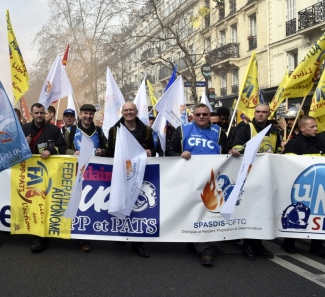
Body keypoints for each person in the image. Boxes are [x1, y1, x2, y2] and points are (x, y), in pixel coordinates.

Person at [166, 103, 239, 266]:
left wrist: (232, 152)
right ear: (193, 115)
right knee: (192, 210)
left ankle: (205, 250)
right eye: (198, 114)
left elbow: (225, 151)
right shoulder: (182, 130)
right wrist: (180, 154)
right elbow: (169, 151)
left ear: (209, 116)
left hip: (211, 179)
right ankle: (195, 241)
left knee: (205, 211)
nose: (201, 117)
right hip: (188, 178)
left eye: (204, 114)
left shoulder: (219, 132)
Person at [231, 104, 280, 260]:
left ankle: (257, 243)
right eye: (258, 112)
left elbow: (277, 151)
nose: (260, 114)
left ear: (269, 113)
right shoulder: (245, 129)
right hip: (249, 175)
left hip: (266, 176)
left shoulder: (275, 131)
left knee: (263, 210)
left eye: (264, 112)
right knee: (250, 209)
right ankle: (248, 244)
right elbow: (238, 147)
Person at [106, 102, 156, 258]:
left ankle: (138, 244)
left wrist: (150, 152)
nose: (128, 113)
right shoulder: (114, 130)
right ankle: (121, 235)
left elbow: (154, 150)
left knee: (138, 207)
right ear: (122, 112)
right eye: (126, 110)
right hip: (121, 174)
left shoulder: (147, 130)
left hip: (140, 173)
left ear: (136, 111)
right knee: (121, 202)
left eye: (131, 110)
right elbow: (110, 152)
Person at [22, 103, 67, 252]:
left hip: (48, 174)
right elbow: (14, 149)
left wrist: (50, 150)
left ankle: (43, 235)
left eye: (42, 113)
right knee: (32, 204)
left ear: (45, 113)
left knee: (46, 203)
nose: (39, 116)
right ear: (32, 114)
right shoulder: (24, 129)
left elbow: (63, 147)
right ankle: (37, 233)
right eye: (36, 113)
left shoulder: (54, 130)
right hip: (29, 173)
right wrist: (24, 143)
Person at [280, 116, 325, 258]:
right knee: (297, 213)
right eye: (312, 127)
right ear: (302, 128)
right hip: (301, 185)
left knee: (319, 214)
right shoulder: (294, 144)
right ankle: (289, 242)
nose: (316, 129)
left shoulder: (321, 142)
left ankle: (317, 245)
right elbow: (290, 165)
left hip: (319, 183)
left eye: (315, 126)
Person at [64, 104, 107, 252]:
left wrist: (103, 151)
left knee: (88, 203)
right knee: (75, 201)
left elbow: (108, 148)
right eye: (85, 113)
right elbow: (63, 148)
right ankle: (72, 230)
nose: (88, 116)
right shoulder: (71, 131)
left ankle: (85, 237)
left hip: (94, 173)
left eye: (90, 114)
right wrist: (72, 152)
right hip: (75, 172)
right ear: (80, 115)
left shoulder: (99, 131)